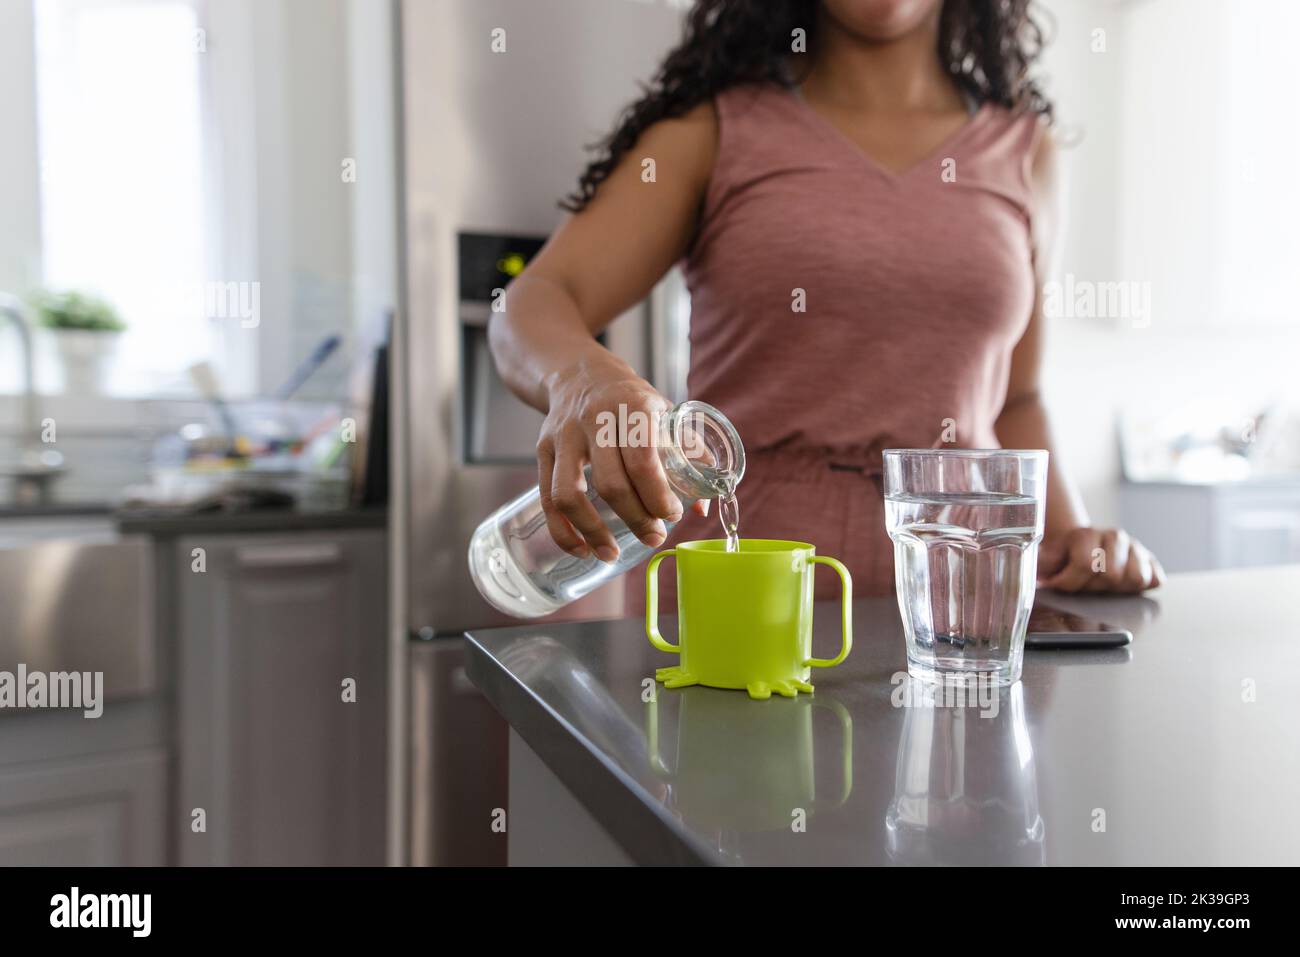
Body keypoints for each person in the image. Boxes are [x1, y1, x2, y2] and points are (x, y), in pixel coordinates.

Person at [488, 0, 1164, 609]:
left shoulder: (1026, 152)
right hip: (740, 586)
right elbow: (536, 299)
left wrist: (1075, 540)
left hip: (963, 598)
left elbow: (1015, 399)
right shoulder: (713, 128)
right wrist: (582, 378)